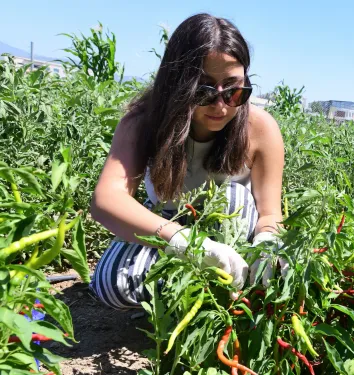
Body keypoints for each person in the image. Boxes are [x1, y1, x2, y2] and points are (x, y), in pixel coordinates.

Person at [89, 13, 287, 310]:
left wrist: (267, 242)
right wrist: (186, 243)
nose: (221, 106)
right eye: (203, 90)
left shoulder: (260, 128)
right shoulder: (143, 123)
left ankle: (220, 295)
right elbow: (107, 199)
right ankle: (185, 300)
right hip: (169, 225)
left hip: (235, 231)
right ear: (177, 84)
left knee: (232, 196)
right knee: (113, 284)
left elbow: (270, 214)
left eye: (234, 90)